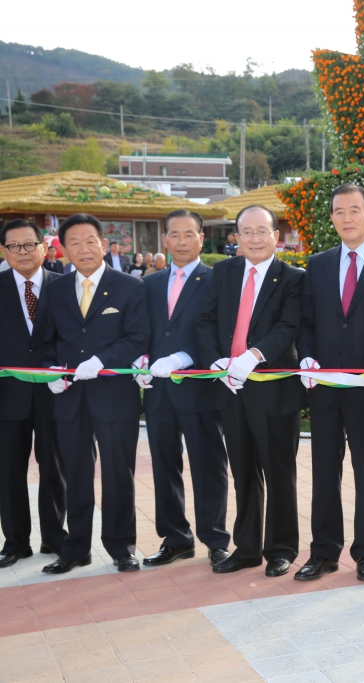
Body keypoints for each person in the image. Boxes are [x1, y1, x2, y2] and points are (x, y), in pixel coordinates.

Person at [295, 184, 364, 582]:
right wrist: (306, 355)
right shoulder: (319, 263)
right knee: (324, 473)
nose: (347, 218)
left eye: (355, 210)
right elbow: (307, 320)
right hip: (324, 386)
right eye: (339, 211)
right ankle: (324, 552)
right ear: (332, 218)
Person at [196, 205, 306, 577]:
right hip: (230, 387)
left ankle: (281, 548)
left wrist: (254, 355)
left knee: (278, 472)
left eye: (263, 231)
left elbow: (289, 325)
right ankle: (246, 548)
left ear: (276, 236)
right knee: (243, 470)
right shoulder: (225, 272)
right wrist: (215, 360)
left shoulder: (291, 277)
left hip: (273, 389)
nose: (255, 238)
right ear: (236, 238)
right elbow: (207, 318)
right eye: (247, 232)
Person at [38, 213, 149, 574]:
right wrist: (51, 370)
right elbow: (45, 342)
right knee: (75, 473)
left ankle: (121, 546)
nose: (83, 249)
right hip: (69, 398)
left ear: (104, 244)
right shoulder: (54, 289)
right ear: (63, 248)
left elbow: (136, 338)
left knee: (119, 472)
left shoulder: (130, 286)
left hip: (114, 395)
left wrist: (101, 360)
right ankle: (76, 548)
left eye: (90, 241)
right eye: (74, 242)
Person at [136, 211, 231, 568]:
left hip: (198, 388)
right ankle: (175, 538)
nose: (181, 242)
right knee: (164, 464)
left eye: (188, 234)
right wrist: (142, 360)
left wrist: (183, 357)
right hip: (159, 390)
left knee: (208, 464)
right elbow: (143, 328)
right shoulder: (150, 282)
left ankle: (215, 538)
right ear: (164, 240)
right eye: (174, 235)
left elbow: (217, 332)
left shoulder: (216, 279)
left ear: (201, 239)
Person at [0, 220, 66, 568]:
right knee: (8, 471)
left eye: (29, 245)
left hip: (54, 395)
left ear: (44, 247)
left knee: (54, 467)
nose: (23, 252)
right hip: (7, 397)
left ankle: (55, 537)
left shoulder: (63, 287)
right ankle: (15, 542)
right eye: (14, 246)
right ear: (4, 251)